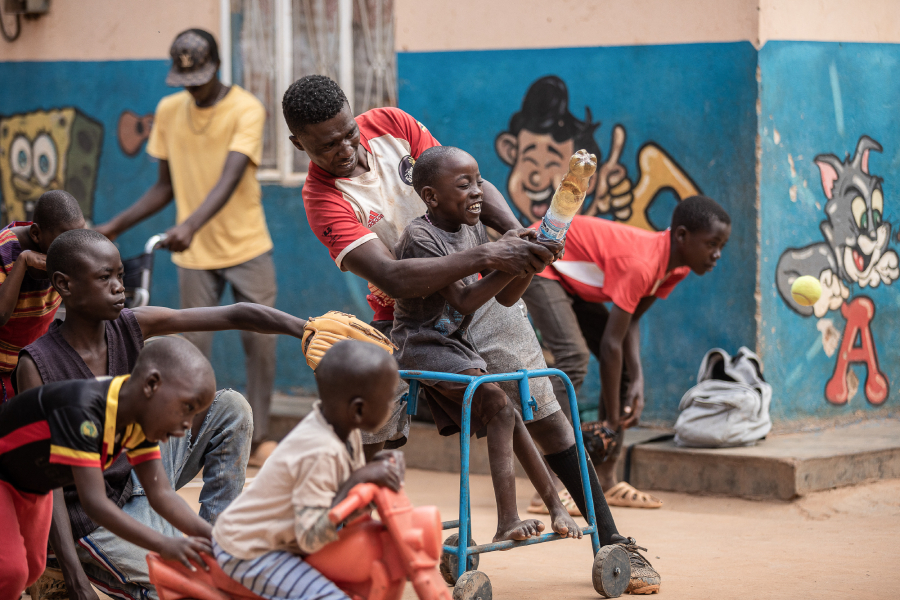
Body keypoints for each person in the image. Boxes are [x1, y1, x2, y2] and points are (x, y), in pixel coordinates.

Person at [283, 74, 659, 595]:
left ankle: (615, 543)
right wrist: (488, 254)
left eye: (348, 133)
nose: (346, 148)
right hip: (411, 316)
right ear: (298, 144)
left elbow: (468, 182)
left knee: (546, 414)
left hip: (478, 289)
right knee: (395, 426)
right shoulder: (322, 200)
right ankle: (384, 548)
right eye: (327, 145)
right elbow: (391, 277)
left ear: (355, 116)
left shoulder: (391, 125)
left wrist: (518, 237)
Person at [15, 229, 309, 600]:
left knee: (231, 408)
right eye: (104, 278)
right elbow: (49, 484)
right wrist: (74, 574)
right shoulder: (38, 366)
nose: (119, 287)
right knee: (172, 588)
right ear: (64, 285)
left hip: (140, 470)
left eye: (121, 276)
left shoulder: (130, 324)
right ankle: (63, 560)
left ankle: (220, 549)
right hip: (89, 510)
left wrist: (306, 329)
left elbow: (235, 313)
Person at [94, 28, 279, 466]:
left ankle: (261, 437)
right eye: (186, 80)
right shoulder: (169, 111)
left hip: (247, 245)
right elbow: (164, 187)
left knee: (262, 344)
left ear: (217, 69)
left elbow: (230, 177)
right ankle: (193, 440)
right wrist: (113, 226)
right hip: (195, 256)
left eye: (202, 78)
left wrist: (191, 223)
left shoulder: (245, 108)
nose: (194, 87)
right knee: (192, 350)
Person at [393, 146, 581, 543]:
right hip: (423, 343)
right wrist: (507, 261)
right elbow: (463, 299)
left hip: (456, 343)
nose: (478, 191)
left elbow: (507, 298)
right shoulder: (421, 237)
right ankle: (508, 520)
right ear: (430, 196)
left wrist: (531, 264)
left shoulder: (473, 228)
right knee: (499, 405)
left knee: (506, 410)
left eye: (479, 181)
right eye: (464, 185)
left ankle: (555, 505)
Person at [523, 197, 731, 518]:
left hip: (574, 282)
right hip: (546, 263)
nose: (717, 255)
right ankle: (551, 485)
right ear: (682, 237)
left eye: (722, 246)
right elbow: (609, 346)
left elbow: (630, 320)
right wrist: (610, 420)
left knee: (621, 375)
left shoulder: (675, 269)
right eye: (712, 244)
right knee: (573, 359)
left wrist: (637, 379)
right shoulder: (643, 264)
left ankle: (606, 481)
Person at [0, 337, 217, 600]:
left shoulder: (137, 419)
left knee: (32, 568)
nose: (186, 424)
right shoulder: (84, 413)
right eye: (187, 408)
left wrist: (215, 539)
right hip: (4, 477)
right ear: (152, 385)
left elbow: (161, 493)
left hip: (34, 485)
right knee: (11, 571)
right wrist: (165, 544)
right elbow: (95, 504)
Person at [212, 340, 403, 600]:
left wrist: (376, 470)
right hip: (252, 551)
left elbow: (351, 501)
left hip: (280, 541)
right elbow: (310, 537)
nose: (394, 405)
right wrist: (359, 478)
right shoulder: (320, 451)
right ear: (358, 409)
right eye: (390, 398)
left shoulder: (346, 432)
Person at [0, 190, 84, 401]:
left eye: (79, 235)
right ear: (36, 234)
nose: (74, 246)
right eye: (65, 238)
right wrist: (22, 262)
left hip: (31, 363)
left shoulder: (68, 254)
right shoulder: (4, 251)